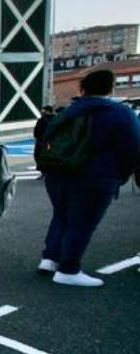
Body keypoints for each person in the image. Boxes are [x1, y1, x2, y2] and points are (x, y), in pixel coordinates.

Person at [37, 69, 140, 287]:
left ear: (82, 89)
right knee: (82, 223)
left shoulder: (68, 111)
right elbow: (133, 148)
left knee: (61, 216)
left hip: (58, 174)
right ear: (111, 88)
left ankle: (49, 258)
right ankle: (68, 269)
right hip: (96, 178)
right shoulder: (121, 114)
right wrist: (120, 176)